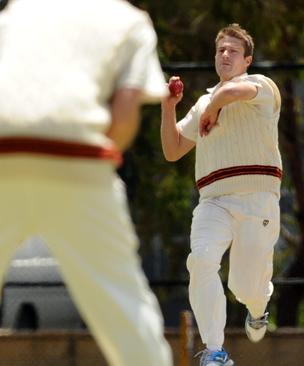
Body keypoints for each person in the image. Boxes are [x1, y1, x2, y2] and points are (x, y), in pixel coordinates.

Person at [0, 0, 172, 365]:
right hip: (78, 158)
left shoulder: (20, 10)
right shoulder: (130, 22)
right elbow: (124, 118)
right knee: (127, 312)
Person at [160, 23, 282, 366]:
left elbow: (230, 95)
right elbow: (172, 150)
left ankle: (259, 307)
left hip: (258, 198)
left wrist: (214, 108)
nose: (225, 55)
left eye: (232, 51)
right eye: (220, 50)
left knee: (245, 289)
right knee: (200, 260)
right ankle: (215, 352)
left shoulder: (262, 87)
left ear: (248, 60)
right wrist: (169, 107)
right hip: (214, 201)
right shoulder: (201, 103)